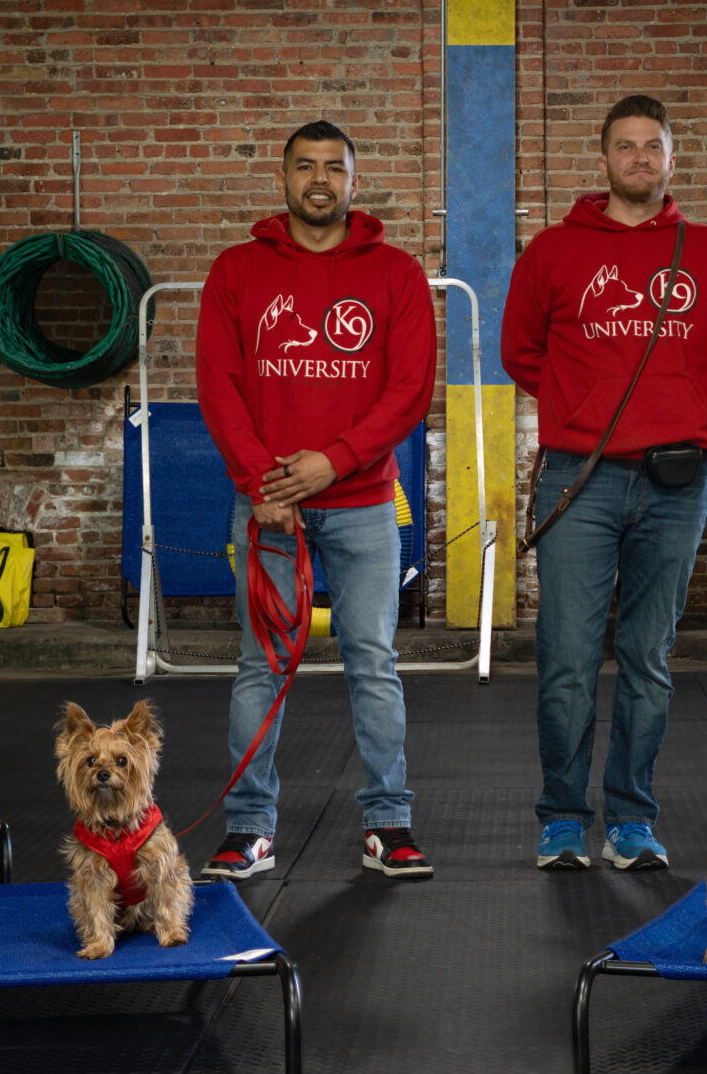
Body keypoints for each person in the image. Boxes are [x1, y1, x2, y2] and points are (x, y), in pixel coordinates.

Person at [502, 94, 707, 871]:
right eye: (626, 146)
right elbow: (519, 351)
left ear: (672, 159)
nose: (639, 158)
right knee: (566, 659)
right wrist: (582, 404)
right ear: (603, 159)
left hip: (675, 483)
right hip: (581, 479)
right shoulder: (554, 251)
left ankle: (631, 819)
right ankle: (564, 818)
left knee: (647, 658)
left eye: (653, 146)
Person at [194, 120, 437, 880]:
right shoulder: (236, 270)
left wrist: (331, 462)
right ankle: (248, 829)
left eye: (335, 167)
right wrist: (263, 483)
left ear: (354, 181)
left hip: (363, 504)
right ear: (284, 177)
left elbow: (409, 391)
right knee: (260, 666)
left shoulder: (396, 273)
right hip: (268, 506)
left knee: (374, 662)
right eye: (306, 166)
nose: (320, 180)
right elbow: (218, 385)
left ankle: (388, 823)